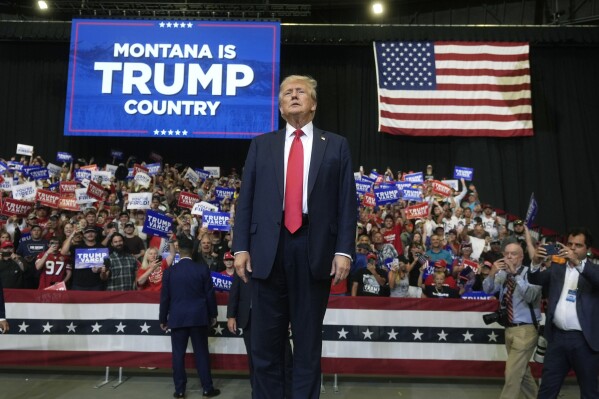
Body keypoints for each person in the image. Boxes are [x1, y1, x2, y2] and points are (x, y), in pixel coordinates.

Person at [233, 74, 356, 399]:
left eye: (301, 91)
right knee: (264, 344)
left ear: (313, 104)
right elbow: (246, 200)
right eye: (287, 92)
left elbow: (346, 202)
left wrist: (344, 250)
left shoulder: (337, 145)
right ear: (280, 105)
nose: (294, 95)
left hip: (313, 251)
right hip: (266, 252)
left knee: (307, 342)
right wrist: (240, 247)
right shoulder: (262, 144)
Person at [528, 228, 599, 398]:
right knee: (547, 389)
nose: (572, 248)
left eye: (578, 245)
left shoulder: (593, 270)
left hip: (585, 341)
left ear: (587, 249)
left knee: (589, 392)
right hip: (557, 339)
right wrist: (536, 262)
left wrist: (578, 263)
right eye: (570, 244)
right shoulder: (557, 268)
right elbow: (535, 279)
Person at [159, 238, 220, 398]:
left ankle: (179, 390)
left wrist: (162, 319)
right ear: (193, 251)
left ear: (179, 251)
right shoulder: (202, 269)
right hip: (198, 317)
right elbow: (209, 295)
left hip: (177, 318)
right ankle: (207, 388)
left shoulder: (170, 272)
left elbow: (165, 298)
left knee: (178, 355)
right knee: (201, 353)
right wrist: (213, 314)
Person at [483, 243, 541, 399]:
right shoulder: (502, 274)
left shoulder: (532, 274)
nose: (508, 257)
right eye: (506, 253)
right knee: (522, 372)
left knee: (512, 373)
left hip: (526, 330)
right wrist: (491, 274)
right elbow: (488, 290)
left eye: (513, 254)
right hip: (509, 328)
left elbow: (530, 296)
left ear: (521, 257)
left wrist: (515, 274)